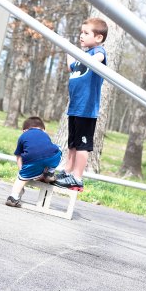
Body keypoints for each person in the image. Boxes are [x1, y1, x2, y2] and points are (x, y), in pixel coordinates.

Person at [54, 17, 108, 191]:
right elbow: (71, 67)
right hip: (75, 107)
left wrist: (83, 56)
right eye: (81, 32)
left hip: (87, 109)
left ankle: (77, 177)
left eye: (86, 33)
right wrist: (68, 49)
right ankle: (68, 171)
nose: (81, 36)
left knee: (82, 145)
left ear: (98, 37)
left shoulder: (98, 52)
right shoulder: (82, 56)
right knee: (72, 144)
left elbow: (98, 59)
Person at [6, 116, 62, 208]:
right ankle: (50, 173)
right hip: (51, 158)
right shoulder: (45, 134)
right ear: (43, 129)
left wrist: (22, 171)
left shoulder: (22, 136)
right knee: (58, 149)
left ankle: (13, 197)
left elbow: (18, 156)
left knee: (20, 179)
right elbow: (46, 150)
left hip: (32, 161)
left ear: (24, 130)